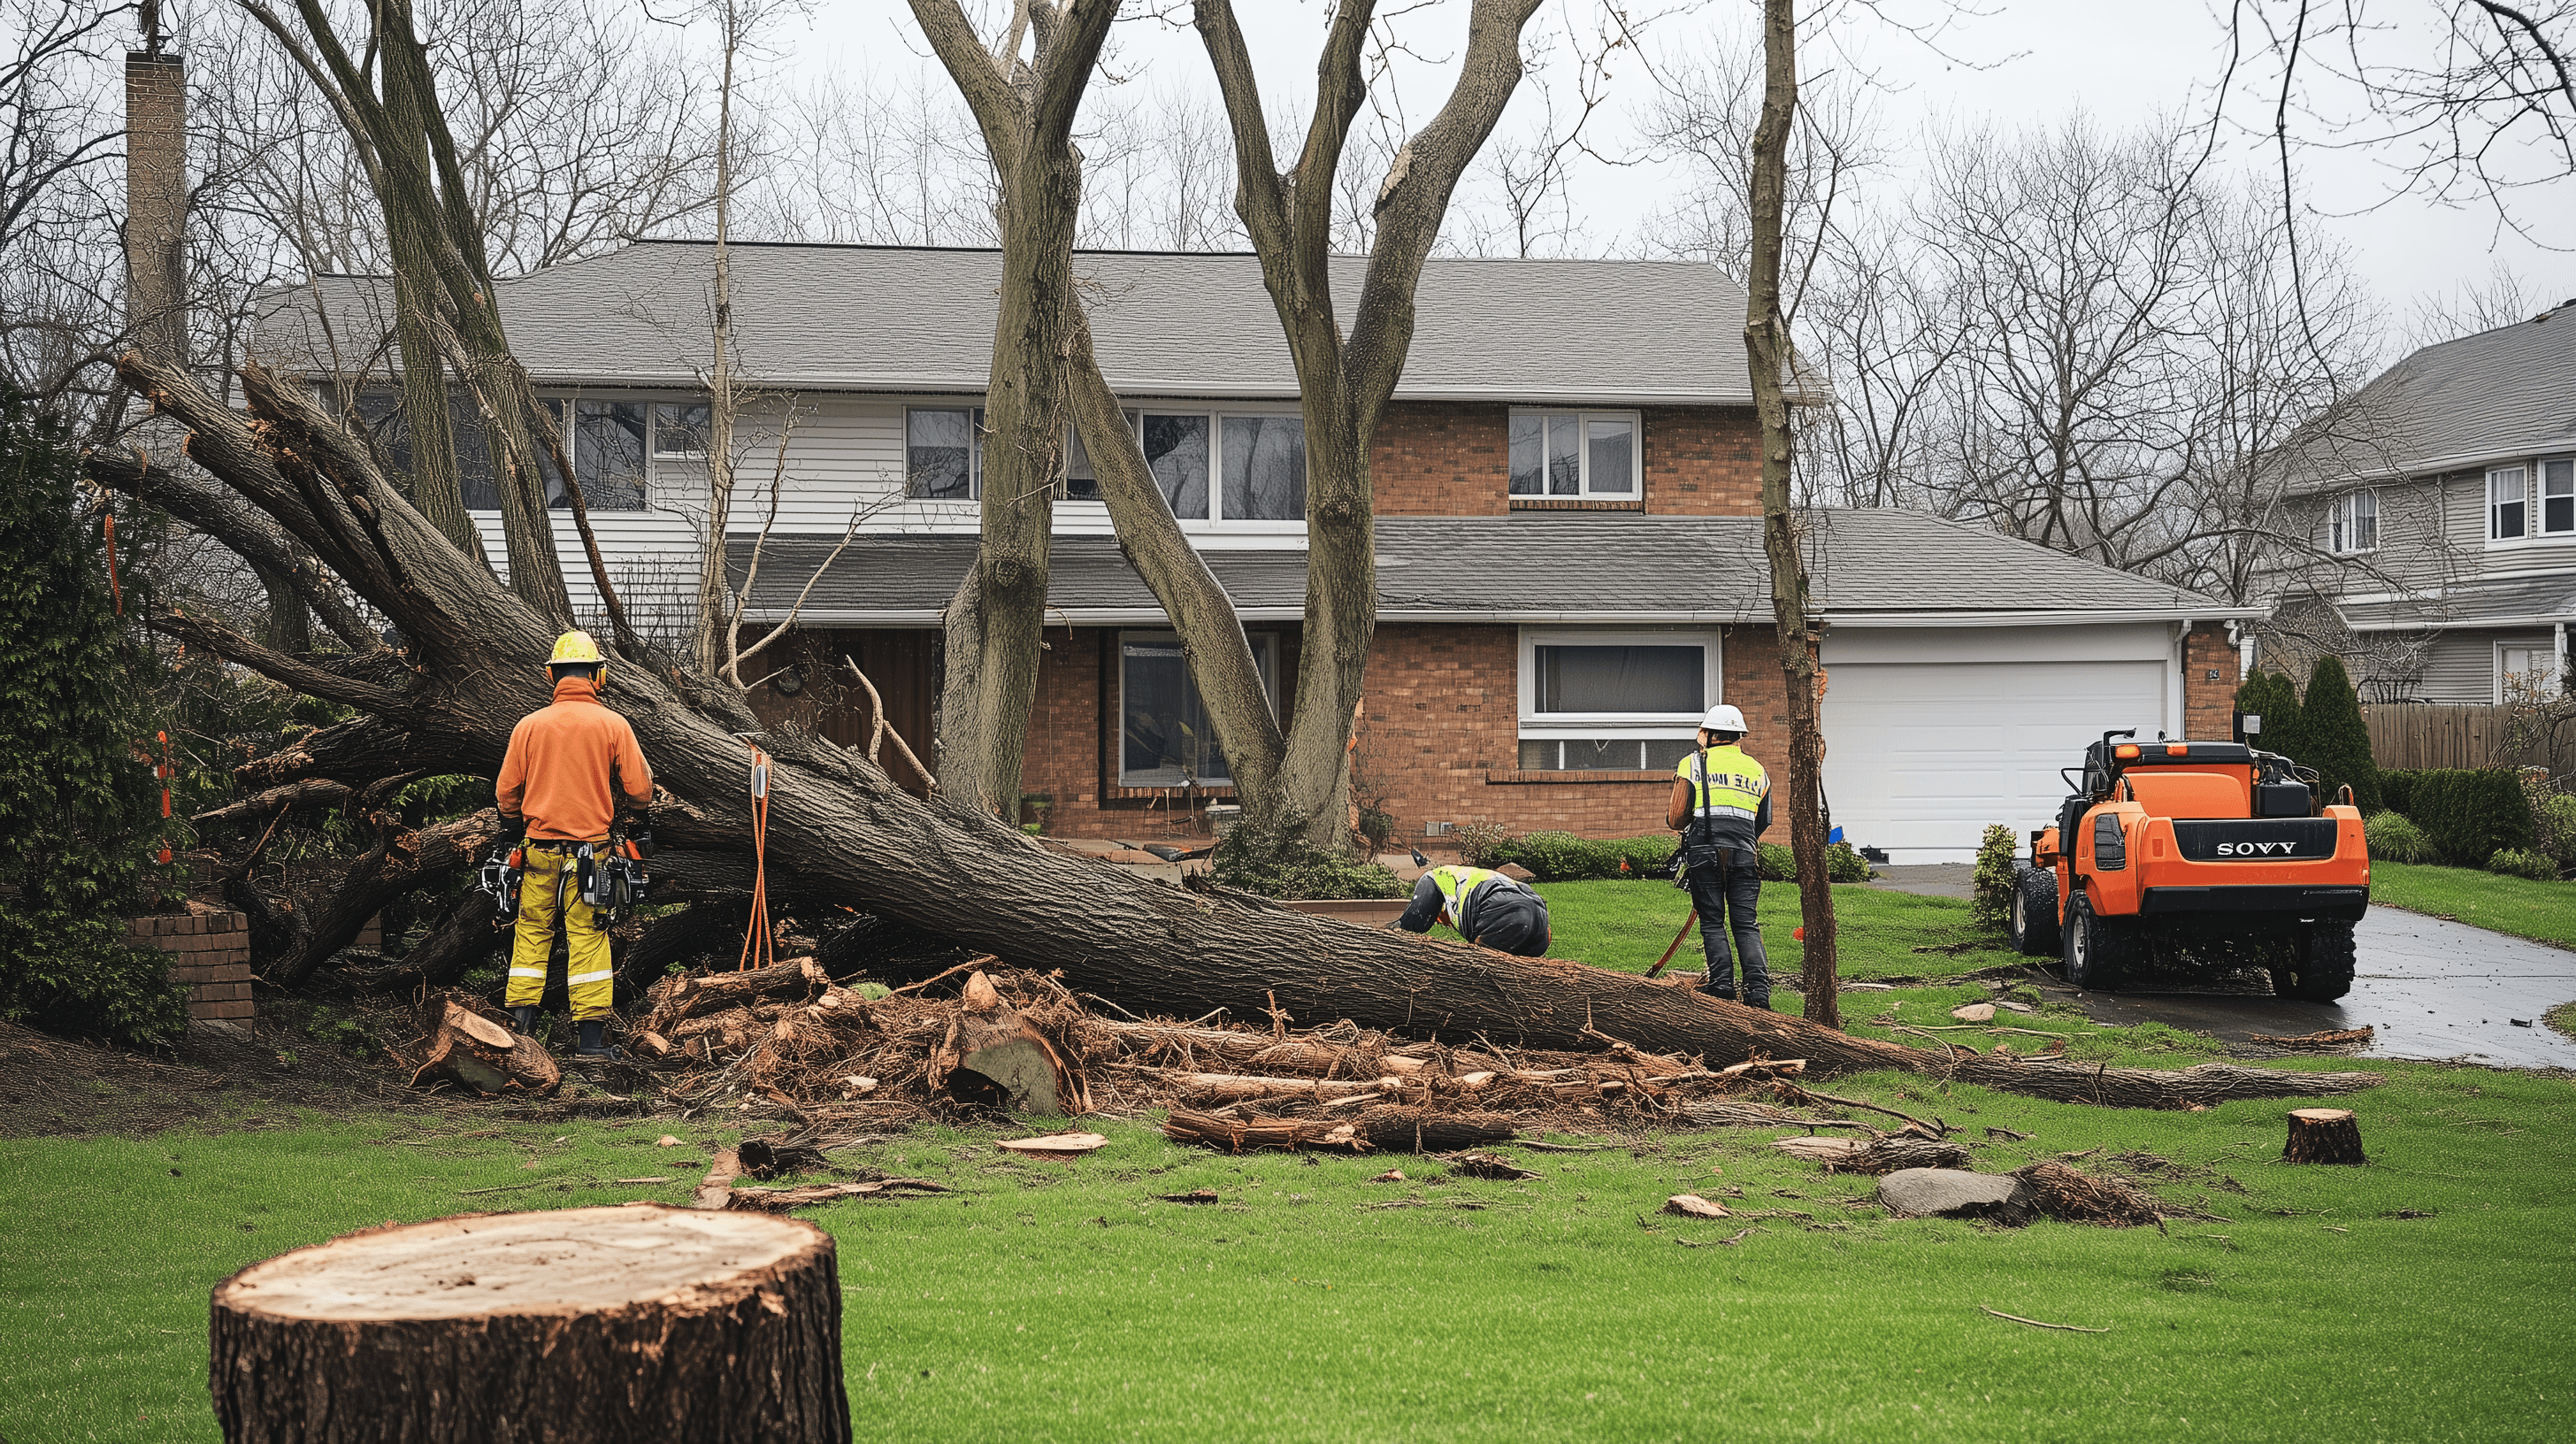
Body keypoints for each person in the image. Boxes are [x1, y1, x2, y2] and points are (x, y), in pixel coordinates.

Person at [494, 630, 653, 1059]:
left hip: (538, 851)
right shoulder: (613, 724)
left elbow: (507, 791)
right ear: (599, 676)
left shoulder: (529, 726)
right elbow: (640, 789)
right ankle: (590, 1042)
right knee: (588, 937)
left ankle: (521, 1035)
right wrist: (635, 816)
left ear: (552, 675)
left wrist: (512, 828)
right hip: (592, 855)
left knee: (530, 934)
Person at [1666, 703, 1773, 1008]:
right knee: (1746, 923)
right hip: (1744, 853)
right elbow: (1763, 820)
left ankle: (1722, 985)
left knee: (1712, 921)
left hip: (1705, 854)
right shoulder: (1758, 770)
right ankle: (1758, 993)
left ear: (1711, 734)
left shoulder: (1692, 763)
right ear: (1738, 736)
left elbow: (1676, 818)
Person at [1393, 860, 1552, 956]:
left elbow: (1412, 923)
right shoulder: (1466, 883)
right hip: (1538, 911)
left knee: (1405, 931)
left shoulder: (1435, 879)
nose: (1440, 924)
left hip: (1503, 907)